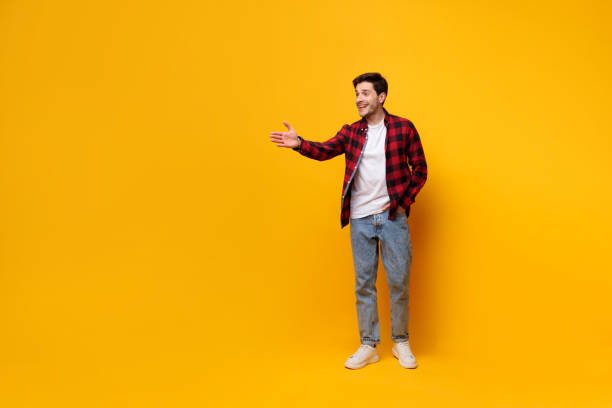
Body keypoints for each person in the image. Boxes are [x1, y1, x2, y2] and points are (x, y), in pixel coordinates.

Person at [269, 72, 427, 369]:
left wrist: (403, 203)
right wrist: (300, 143)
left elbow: (420, 168)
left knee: (399, 282)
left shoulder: (404, 128)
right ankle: (368, 345)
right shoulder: (352, 132)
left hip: (393, 216)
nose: (359, 99)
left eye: (365, 93)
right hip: (360, 219)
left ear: (381, 97)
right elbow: (326, 149)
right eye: (357, 93)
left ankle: (401, 342)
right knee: (364, 284)